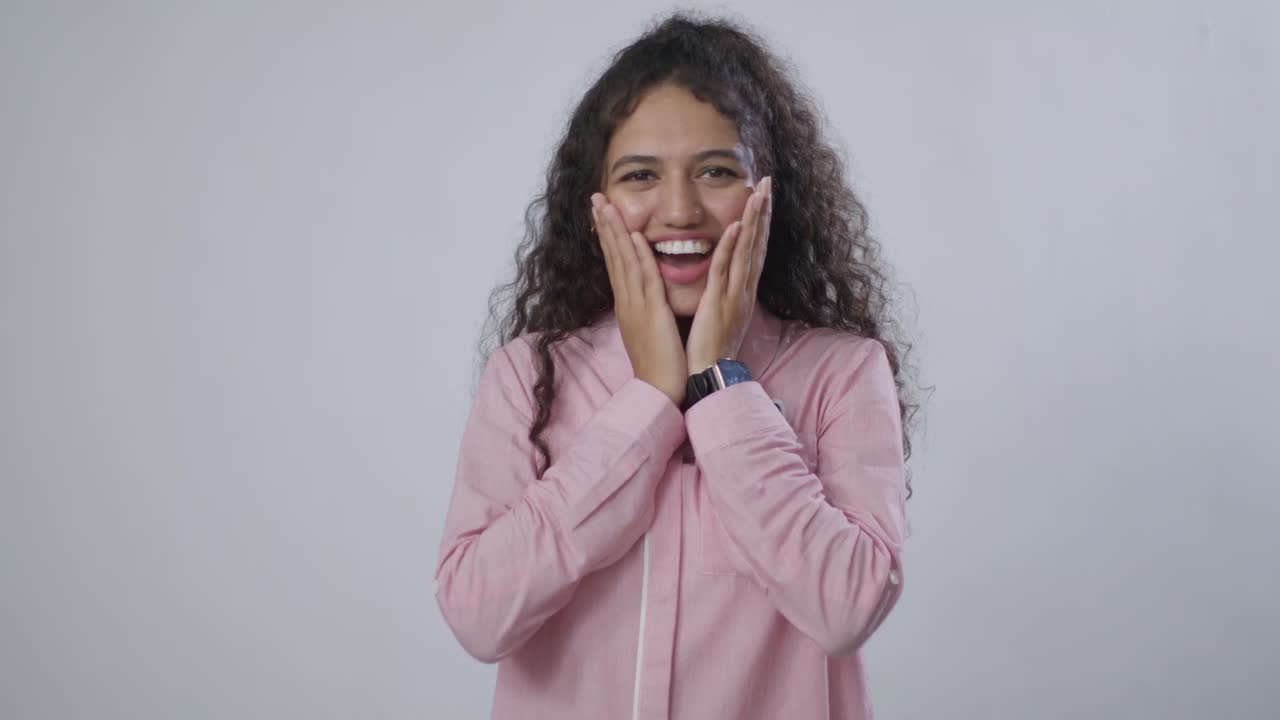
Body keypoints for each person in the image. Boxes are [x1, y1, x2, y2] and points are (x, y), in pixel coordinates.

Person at [435, 12, 920, 720]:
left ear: (767, 192)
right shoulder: (528, 377)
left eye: (717, 171)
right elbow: (478, 615)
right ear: (595, 202)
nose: (680, 209)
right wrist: (650, 401)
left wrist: (719, 384)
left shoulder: (843, 375)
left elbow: (847, 604)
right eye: (640, 175)